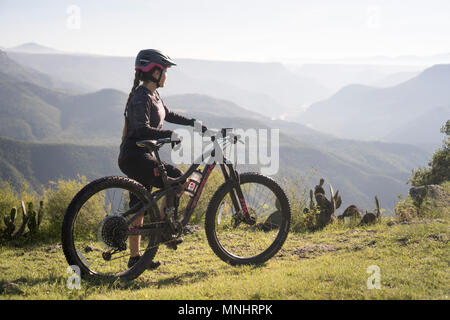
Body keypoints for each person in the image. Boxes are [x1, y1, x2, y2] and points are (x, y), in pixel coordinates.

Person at [118, 49, 204, 270]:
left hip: (139, 156)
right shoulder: (140, 97)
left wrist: (192, 123)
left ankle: (135, 258)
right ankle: (167, 229)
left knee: (140, 205)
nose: (166, 75)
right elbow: (140, 130)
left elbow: (169, 114)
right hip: (134, 157)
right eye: (164, 71)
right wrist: (168, 135)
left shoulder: (153, 95)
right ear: (154, 72)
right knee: (176, 177)